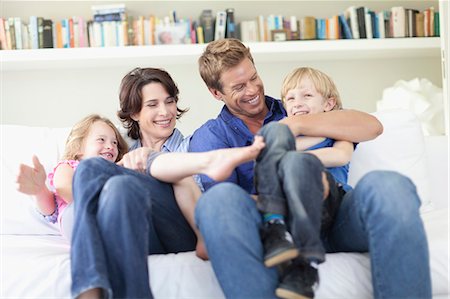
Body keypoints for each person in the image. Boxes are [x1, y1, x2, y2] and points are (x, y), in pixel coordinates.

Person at [190, 38, 431, 299]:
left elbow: (371, 126)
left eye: (254, 77)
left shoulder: (293, 105)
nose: (252, 90)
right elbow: (229, 207)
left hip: (336, 216)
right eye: (238, 86)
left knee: (391, 186)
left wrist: (297, 125)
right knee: (216, 201)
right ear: (217, 93)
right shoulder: (210, 137)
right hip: (276, 231)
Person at [254, 67, 354, 298]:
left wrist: (289, 157)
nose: (297, 102)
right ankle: (275, 226)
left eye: (307, 95)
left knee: (296, 164)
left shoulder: (336, 132)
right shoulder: (283, 136)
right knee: (273, 133)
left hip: (331, 203)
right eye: (290, 98)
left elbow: (341, 156)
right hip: (291, 209)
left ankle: (307, 263)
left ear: (328, 104)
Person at [15, 114, 129, 240]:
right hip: (77, 214)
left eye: (114, 142)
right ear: (78, 147)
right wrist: (40, 190)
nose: (110, 146)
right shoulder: (69, 166)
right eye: (101, 140)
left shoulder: (117, 170)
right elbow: (65, 192)